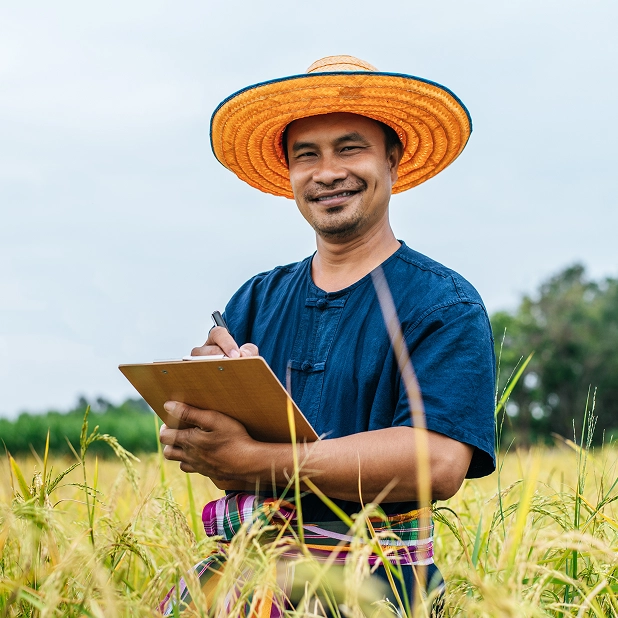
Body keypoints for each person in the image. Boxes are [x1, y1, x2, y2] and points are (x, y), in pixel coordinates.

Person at [159, 55, 496, 616]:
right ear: (290, 174)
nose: (327, 171)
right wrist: (197, 416)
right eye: (306, 155)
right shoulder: (255, 299)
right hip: (244, 570)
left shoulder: (444, 304)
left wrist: (256, 460)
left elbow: (437, 461)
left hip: (375, 583)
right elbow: (224, 454)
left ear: (392, 159)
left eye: (350, 148)